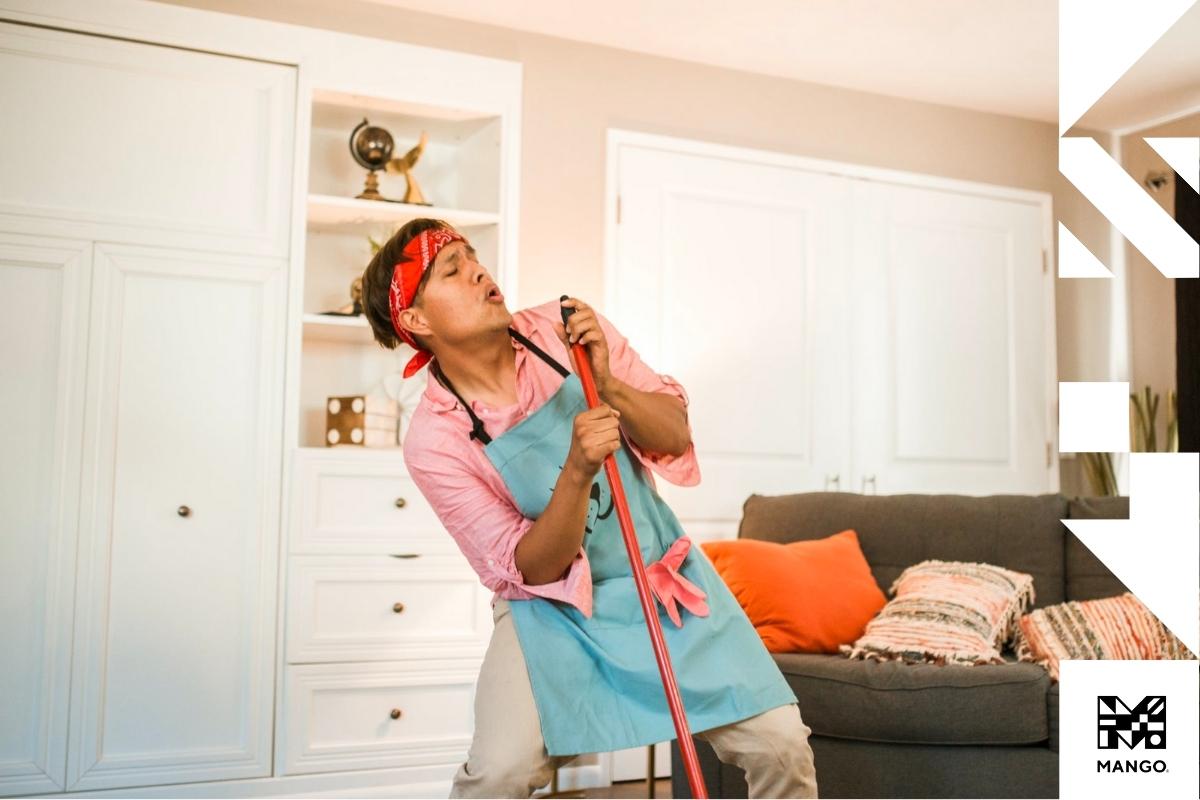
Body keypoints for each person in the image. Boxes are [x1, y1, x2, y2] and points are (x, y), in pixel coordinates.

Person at [360, 218, 818, 799]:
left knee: (782, 744)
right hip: (551, 614)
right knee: (499, 772)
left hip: (661, 579)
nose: (479, 270)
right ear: (416, 322)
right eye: (453, 270)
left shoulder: (566, 327)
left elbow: (674, 433)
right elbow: (532, 569)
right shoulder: (436, 440)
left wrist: (609, 384)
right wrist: (577, 470)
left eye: (472, 256)